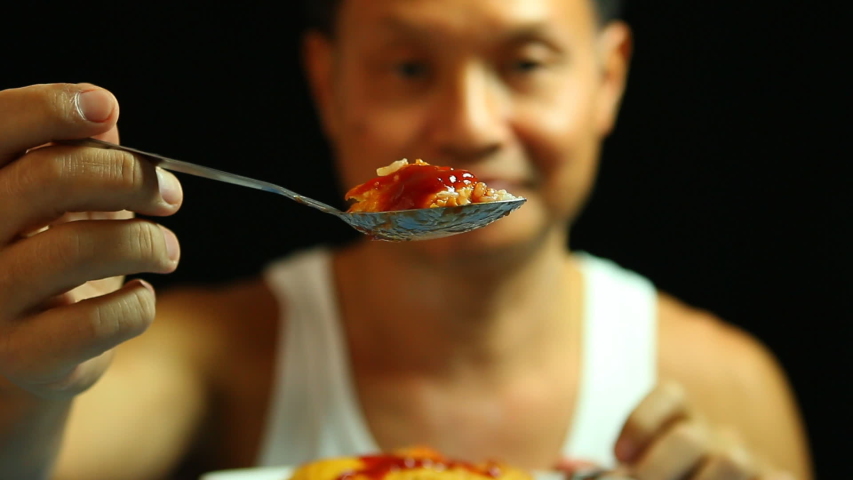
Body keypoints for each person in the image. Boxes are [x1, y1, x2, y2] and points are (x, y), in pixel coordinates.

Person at [0, 0, 812, 479]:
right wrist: (31, 381)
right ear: (327, 83)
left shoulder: (729, 387)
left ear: (608, 77)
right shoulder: (221, 356)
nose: (469, 126)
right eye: (409, 69)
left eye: (526, 64)